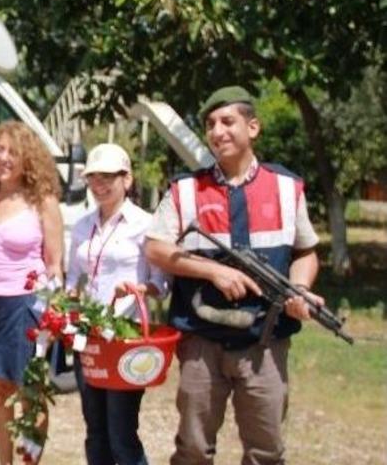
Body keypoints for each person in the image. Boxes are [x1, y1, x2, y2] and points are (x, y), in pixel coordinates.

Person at [144, 86, 324, 465]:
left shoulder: (286, 188)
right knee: (192, 451)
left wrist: (301, 289)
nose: (217, 131)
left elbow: (306, 252)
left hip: (265, 342)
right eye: (210, 124)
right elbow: (156, 248)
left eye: (228, 121)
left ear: (252, 127)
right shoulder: (185, 189)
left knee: (266, 452)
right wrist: (213, 271)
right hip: (201, 341)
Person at [65, 143, 168, 465]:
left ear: (127, 179)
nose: (99, 184)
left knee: (122, 433)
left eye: (108, 176)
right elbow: (73, 278)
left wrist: (139, 288)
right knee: (95, 431)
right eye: (93, 177)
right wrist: (67, 304)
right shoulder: (82, 226)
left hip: (126, 338)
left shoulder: (146, 224)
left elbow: (162, 285)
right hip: (88, 336)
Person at [0, 121, 64, 465]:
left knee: (30, 396)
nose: (4, 158)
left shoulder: (42, 201)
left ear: (28, 159)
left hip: (28, 307)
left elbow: (55, 265)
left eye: (13, 152)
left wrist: (52, 316)